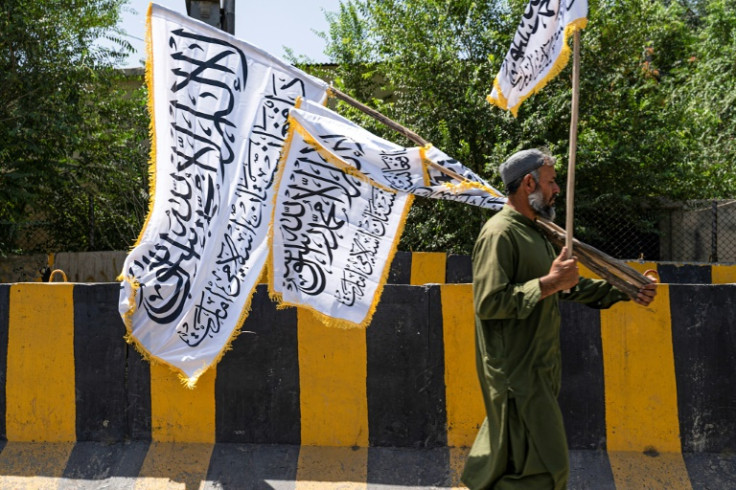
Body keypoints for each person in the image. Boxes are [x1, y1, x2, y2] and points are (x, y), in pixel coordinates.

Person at [461, 148, 657, 489]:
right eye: (551, 182)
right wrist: (549, 282)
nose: (557, 190)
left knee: (515, 465)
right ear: (528, 183)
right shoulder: (500, 234)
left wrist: (626, 289)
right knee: (546, 470)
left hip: (538, 369)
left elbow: (567, 288)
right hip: (516, 374)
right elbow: (490, 303)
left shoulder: (537, 232)